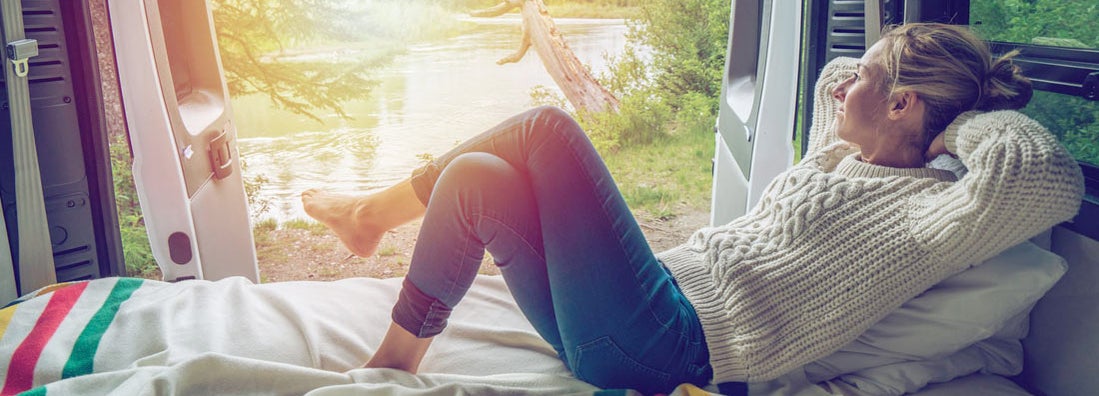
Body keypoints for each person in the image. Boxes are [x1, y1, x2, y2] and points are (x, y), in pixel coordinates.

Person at [300, 23, 1084, 394]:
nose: (843, 86)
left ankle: (370, 218)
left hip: (672, 346)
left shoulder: (934, 212)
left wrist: (962, 113)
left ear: (906, 103)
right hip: (635, 318)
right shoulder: (841, 150)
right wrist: (894, 77)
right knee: (476, 175)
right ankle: (396, 359)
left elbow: (1045, 176)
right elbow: (835, 73)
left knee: (543, 129)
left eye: (872, 83)